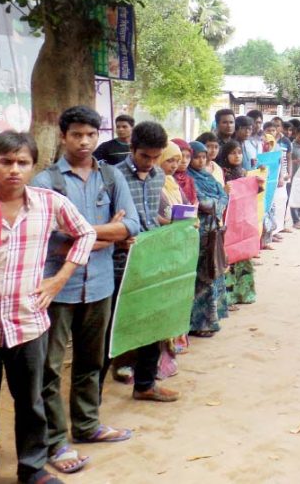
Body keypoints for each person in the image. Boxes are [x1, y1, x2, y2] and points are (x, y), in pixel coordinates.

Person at [0, 131, 96, 481]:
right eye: (6, 162)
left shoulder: (49, 203)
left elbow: (86, 233)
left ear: (33, 166)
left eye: (22, 162)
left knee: (31, 402)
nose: (14, 170)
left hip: (28, 322)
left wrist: (59, 279)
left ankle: (32, 469)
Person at [30, 106, 140, 459]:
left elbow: (132, 226)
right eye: (76, 134)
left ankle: (87, 424)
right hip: (57, 287)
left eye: (91, 134)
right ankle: (55, 441)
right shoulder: (46, 183)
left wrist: (79, 233)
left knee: (92, 362)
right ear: (63, 137)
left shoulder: (110, 178)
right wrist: (107, 235)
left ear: (99, 136)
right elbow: (46, 235)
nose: (84, 141)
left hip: (100, 285)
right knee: (49, 366)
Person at [110, 122, 180, 403]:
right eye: (145, 157)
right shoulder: (112, 176)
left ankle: (145, 384)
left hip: (150, 259)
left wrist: (176, 225)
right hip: (118, 261)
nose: (151, 163)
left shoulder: (157, 177)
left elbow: (150, 218)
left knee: (154, 322)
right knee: (113, 326)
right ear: (132, 149)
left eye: (155, 157)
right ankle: (94, 397)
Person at [187, 141, 229, 337]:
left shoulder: (208, 176)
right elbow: (201, 202)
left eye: (203, 157)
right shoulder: (188, 178)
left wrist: (216, 205)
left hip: (213, 230)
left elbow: (224, 195)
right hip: (200, 232)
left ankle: (213, 318)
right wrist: (216, 204)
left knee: (214, 271)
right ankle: (200, 323)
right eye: (197, 157)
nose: (201, 160)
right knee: (202, 276)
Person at [217, 140, 257, 310]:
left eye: (239, 152)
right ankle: (229, 297)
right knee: (229, 257)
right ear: (225, 155)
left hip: (242, 220)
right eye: (233, 153)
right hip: (228, 220)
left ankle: (244, 293)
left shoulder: (242, 172)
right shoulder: (221, 173)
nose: (237, 156)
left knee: (243, 255)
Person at [169, 139, 197, 205]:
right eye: (181, 156)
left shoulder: (189, 179)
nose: (184, 161)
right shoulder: (166, 179)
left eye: (188, 157)